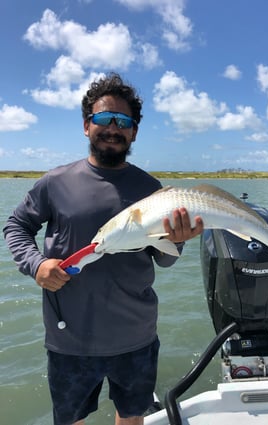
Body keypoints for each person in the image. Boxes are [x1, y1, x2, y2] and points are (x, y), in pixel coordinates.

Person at [3, 72, 203, 425]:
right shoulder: (55, 182)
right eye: (103, 118)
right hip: (70, 340)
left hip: (136, 336)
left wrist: (178, 240)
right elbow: (16, 226)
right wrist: (36, 264)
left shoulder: (153, 190)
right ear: (86, 125)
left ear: (134, 131)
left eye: (123, 121)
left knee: (131, 417)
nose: (113, 127)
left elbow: (164, 260)